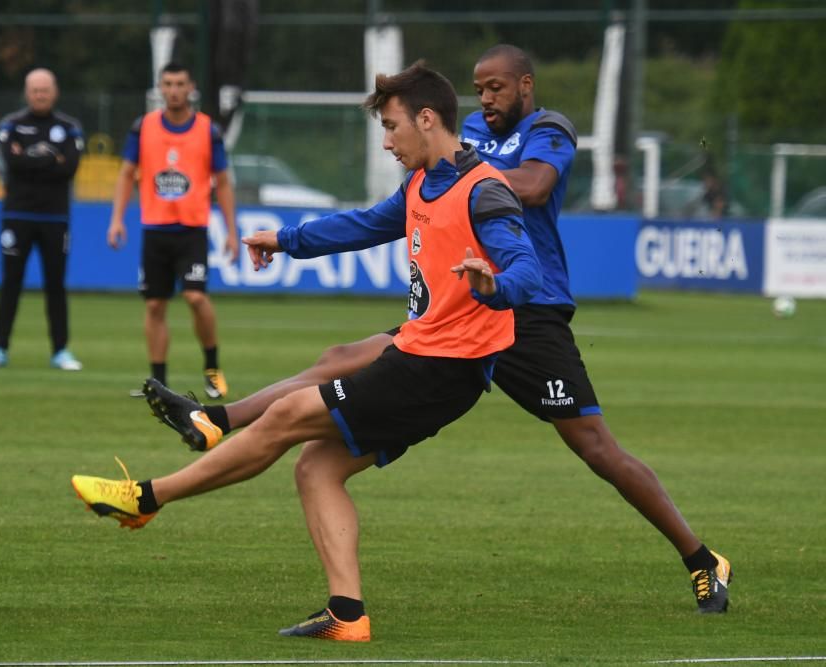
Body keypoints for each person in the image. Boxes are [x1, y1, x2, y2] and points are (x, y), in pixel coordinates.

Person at [143, 44, 734, 615]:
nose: (487, 98)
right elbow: (383, 216)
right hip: (457, 311)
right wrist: (291, 239)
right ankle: (217, 420)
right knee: (346, 355)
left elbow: (531, 187)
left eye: (497, 87)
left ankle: (701, 558)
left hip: (525, 311)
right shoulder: (463, 134)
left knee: (597, 450)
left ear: (526, 85)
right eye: (478, 89)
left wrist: (462, 167)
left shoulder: (547, 131)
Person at [73, 61, 544, 642]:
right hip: (423, 358)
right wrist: (286, 241)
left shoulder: (485, 191)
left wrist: (495, 285)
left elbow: (527, 269)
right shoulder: (422, 183)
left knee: (289, 416)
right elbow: (363, 226)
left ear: (427, 119)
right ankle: (347, 615)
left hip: (440, 369)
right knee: (317, 468)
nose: (388, 140)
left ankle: (145, 497)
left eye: (393, 126)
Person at [107, 62, 239, 399]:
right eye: (168, 84)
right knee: (154, 306)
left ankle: (212, 368)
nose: (174, 90)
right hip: (155, 230)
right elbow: (126, 173)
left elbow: (222, 183)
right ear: (160, 88)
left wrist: (231, 231)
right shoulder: (143, 127)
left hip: (192, 229)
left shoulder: (208, 130)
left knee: (195, 296)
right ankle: (158, 384)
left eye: (180, 83)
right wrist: (117, 218)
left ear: (190, 87)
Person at [0, 68, 84, 371]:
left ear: (55, 91)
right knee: (11, 282)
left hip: (55, 217)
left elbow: (70, 168)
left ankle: (61, 351)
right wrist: (51, 158)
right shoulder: (11, 124)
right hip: (17, 215)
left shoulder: (70, 127)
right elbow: (12, 164)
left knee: (56, 285)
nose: (40, 95)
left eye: (45, 89)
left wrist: (29, 159)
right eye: (35, 90)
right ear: (27, 93)